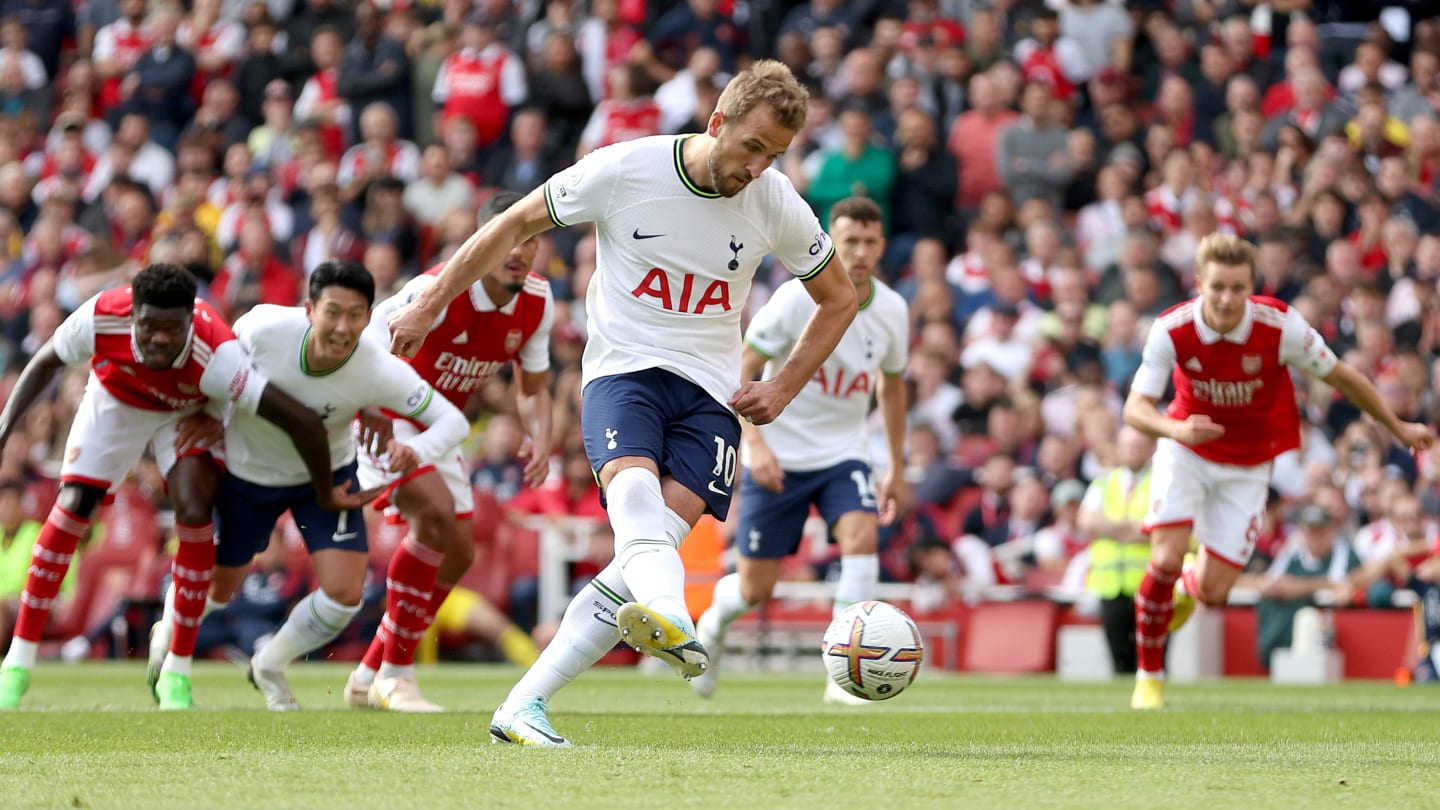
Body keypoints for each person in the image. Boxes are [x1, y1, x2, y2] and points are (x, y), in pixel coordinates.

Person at [387, 59, 858, 746]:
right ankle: (673, 616)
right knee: (634, 500)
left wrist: (784, 385)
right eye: (752, 147)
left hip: (710, 394)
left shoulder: (777, 201)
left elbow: (839, 297)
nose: (759, 166)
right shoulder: (624, 169)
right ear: (717, 122)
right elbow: (514, 223)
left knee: (648, 546)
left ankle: (523, 704)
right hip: (625, 373)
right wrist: (431, 301)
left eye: (775, 155)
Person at [0, 263, 356, 710]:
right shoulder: (100, 315)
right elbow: (45, 362)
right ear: (133, 316)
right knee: (74, 504)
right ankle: (18, 662)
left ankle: (178, 673)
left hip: (185, 414)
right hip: (117, 399)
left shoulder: (219, 355)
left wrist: (324, 488)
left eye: (173, 329)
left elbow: (300, 420)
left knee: (193, 507)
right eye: (149, 326)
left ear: (192, 317)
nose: (160, 339)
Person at [1123, 233, 1434, 710]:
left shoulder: (1280, 326)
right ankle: (1149, 678)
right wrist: (1176, 430)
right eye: (1217, 287)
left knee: (1213, 593)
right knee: (1163, 559)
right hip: (1186, 452)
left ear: (1252, 286)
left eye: (1238, 288)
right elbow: (1135, 408)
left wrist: (1396, 425)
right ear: (1199, 283)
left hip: (1247, 466)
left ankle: (1189, 583)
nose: (1227, 299)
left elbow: (1343, 377)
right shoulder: (1172, 328)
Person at [147, 260, 469, 710]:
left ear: (368, 317)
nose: (342, 327)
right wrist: (206, 413)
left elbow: (452, 421)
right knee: (218, 591)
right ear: (309, 309)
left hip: (327, 479)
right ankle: (171, 625)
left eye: (356, 316)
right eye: (332, 312)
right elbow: (215, 366)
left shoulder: (376, 369)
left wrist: (415, 450)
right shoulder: (261, 328)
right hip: (249, 473)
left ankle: (270, 663)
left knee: (345, 595)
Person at [687, 196, 909, 705]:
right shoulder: (794, 299)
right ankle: (713, 625)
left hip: (844, 453)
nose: (859, 252)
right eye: (849, 240)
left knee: (862, 534)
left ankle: (843, 675)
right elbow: (741, 365)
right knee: (754, 589)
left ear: (882, 246)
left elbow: (891, 387)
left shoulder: (894, 310)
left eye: (869, 242)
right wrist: (755, 444)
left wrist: (895, 465)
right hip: (779, 456)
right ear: (831, 238)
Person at [342, 191, 555, 713]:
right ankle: (397, 676)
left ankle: (368, 673)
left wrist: (542, 436)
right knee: (434, 518)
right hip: (385, 421)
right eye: (506, 237)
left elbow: (533, 385)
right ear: (479, 243)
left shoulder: (538, 302)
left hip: (441, 430)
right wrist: (367, 406)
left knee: (459, 553)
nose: (518, 251)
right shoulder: (433, 290)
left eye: (529, 239)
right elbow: (363, 339)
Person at [1075, 426, 1155, 676]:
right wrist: (1132, 527)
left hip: (1152, 583)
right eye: (1127, 446)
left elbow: (1160, 529)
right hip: (1111, 585)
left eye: (1139, 445)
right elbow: (1086, 521)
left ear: (1152, 449)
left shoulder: (1163, 481)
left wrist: (1109, 527)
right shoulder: (1105, 481)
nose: (1132, 451)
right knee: (1119, 657)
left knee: (1152, 656)